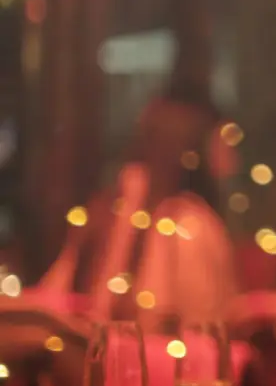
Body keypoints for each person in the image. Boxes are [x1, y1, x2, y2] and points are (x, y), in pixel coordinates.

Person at [29, 87, 240, 327]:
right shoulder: (108, 212)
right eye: (155, 139)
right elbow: (55, 296)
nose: (161, 156)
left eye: (173, 143)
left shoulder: (196, 228)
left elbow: (201, 325)